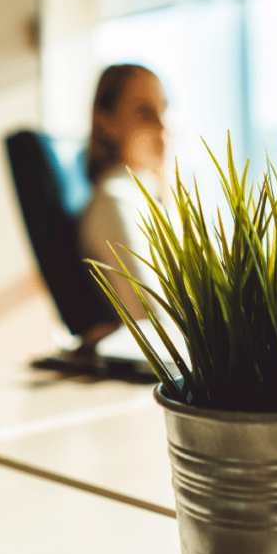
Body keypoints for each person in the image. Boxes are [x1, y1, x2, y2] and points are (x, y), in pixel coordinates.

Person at [79, 63, 169, 347]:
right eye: (145, 112)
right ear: (107, 122)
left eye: (164, 109)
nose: (163, 126)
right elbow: (154, 320)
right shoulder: (115, 198)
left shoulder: (149, 195)